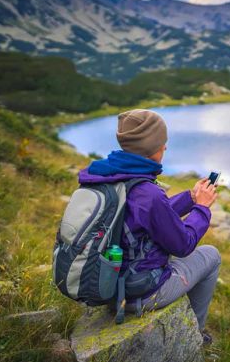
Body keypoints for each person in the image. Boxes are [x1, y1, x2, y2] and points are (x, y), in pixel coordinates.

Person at [78, 109, 220, 344]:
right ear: (155, 148)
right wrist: (202, 208)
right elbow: (183, 244)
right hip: (139, 291)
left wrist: (190, 198)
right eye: (163, 143)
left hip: (104, 282)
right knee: (211, 255)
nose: (165, 148)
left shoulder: (108, 176)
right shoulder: (147, 192)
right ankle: (194, 336)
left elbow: (145, 216)